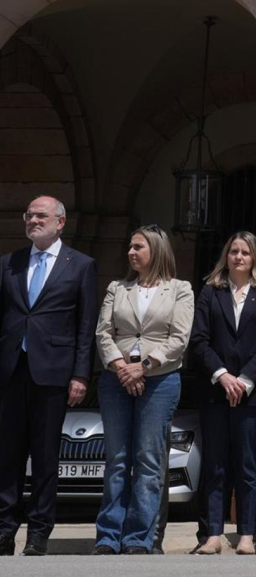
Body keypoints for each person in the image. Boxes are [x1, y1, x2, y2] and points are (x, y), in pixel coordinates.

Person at [0, 196, 98, 556]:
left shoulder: (81, 265)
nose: (32, 220)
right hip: (11, 371)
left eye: (40, 215)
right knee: (7, 455)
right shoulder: (9, 263)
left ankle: (39, 531)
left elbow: (85, 326)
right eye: (28, 215)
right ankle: (4, 530)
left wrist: (81, 375)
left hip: (53, 373)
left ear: (60, 222)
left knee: (44, 456)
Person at [93, 225, 194, 554]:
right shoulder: (117, 288)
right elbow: (103, 332)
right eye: (130, 247)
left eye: (138, 247)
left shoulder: (180, 289)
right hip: (116, 379)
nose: (131, 252)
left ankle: (139, 538)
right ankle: (109, 537)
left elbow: (179, 338)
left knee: (149, 460)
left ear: (157, 250)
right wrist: (121, 367)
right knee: (117, 460)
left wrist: (145, 366)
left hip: (160, 381)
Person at [189, 231, 256, 555]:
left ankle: (247, 535)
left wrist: (243, 380)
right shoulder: (210, 292)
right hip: (216, 391)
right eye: (234, 252)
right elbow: (199, 340)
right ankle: (212, 534)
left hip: (251, 395)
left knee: (248, 465)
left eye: (245, 252)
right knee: (215, 464)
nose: (239, 257)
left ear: (255, 258)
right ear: (226, 256)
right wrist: (223, 376)